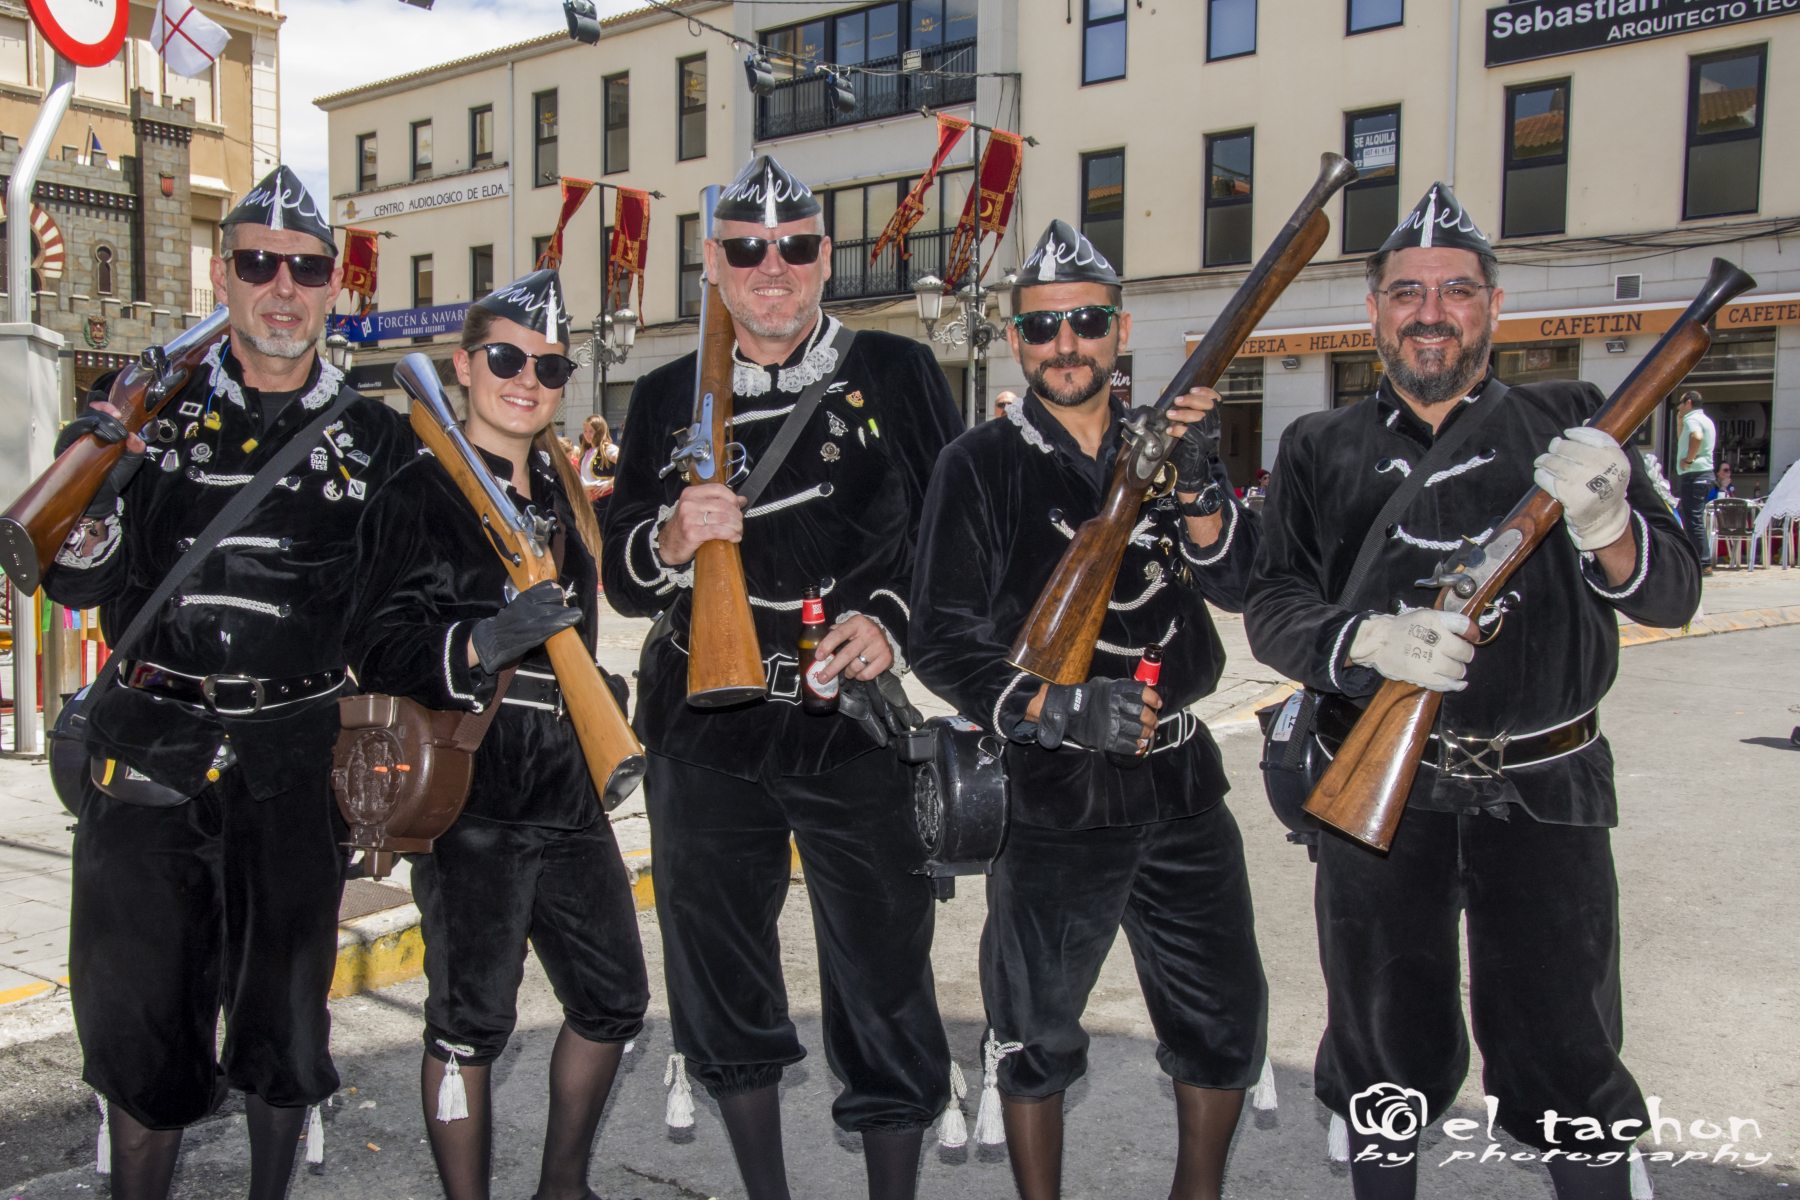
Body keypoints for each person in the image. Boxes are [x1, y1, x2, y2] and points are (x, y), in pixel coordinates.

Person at [1244, 183, 1701, 1200]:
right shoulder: (1316, 445)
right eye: (1407, 292)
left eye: (1455, 290)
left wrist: (1609, 528)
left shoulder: (1578, 422)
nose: (1431, 312)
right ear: (1374, 310)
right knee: (1381, 1049)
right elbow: (1272, 604)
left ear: (1494, 306)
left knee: (1569, 1053)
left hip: (1547, 787)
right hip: (1380, 787)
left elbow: (1674, 593)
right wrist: (1364, 640)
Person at [40, 165, 416, 1200]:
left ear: (334, 285)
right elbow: (76, 581)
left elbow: (399, 612)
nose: (282, 288)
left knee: (283, 1025)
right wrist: (96, 482)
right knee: (137, 1024)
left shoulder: (379, 437)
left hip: (292, 763)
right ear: (223, 275)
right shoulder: (146, 415)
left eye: (306, 269)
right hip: (149, 749)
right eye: (258, 264)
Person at [599, 153, 964, 1200]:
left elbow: (953, 536)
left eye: (795, 248)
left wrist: (890, 620)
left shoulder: (896, 371)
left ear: (826, 259)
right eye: (748, 248)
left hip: (847, 719)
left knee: (883, 967)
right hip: (703, 725)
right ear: (712, 264)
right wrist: (669, 538)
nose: (773, 267)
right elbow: (622, 574)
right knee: (717, 969)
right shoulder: (664, 393)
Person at [910, 220, 1269, 1200]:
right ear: (1016, 341)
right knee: (1033, 1030)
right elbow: (940, 637)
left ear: (1121, 330)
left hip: (1182, 781)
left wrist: (1200, 491)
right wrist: (1058, 708)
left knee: (1224, 1018)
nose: (1064, 342)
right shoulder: (977, 464)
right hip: (1053, 790)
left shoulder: (1171, 449)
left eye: (1086, 321)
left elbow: (1241, 584)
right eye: (1042, 327)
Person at [347, 270, 647, 1200]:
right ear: (466, 366)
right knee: (469, 1024)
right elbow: (374, 644)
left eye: (550, 367)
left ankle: (562, 1187)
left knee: (614, 1000)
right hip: (473, 793)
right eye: (508, 359)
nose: (529, 380)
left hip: (566, 786)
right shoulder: (418, 490)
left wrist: (603, 700)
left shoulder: (563, 490)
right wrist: (478, 643)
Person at [1674, 390, 1717, 575]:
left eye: (1681, 403)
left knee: (1693, 520)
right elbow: (1684, 441)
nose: (1678, 407)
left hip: (1695, 474)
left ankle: (1703, 562)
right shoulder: (1705, 419)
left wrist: (1689, 460)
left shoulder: (1692, 419)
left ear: (1688, 402)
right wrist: (1679, 422)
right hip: (1706, 474)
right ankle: (1701, 561)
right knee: (1695, 518)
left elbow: (1696, 437)